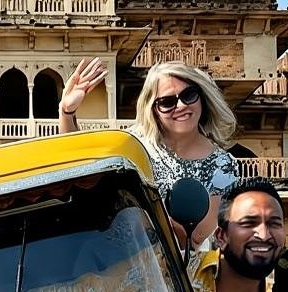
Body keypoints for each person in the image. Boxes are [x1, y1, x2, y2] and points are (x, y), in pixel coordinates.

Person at [60, 58, 240, 251]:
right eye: (167, 102)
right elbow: (79, 165)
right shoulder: (133, 144)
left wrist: (140, 212)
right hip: (117, 260)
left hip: (176, 272)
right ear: (153, 109)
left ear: (201, 98)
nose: (180, 106)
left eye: (188, 95)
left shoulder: (223, 164)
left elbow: (194, 237)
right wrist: (66, 112)